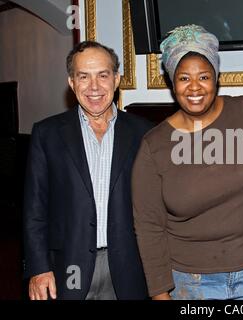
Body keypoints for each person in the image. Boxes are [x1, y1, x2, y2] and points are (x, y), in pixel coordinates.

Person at [132, 25, 243, 300]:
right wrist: (159, 293)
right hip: (192, 282)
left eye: (204, 77)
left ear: (216, 79)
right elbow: (149, 226)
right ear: (173, 82)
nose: (194, 87)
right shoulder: (154, 146)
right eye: (184, 78)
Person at [23, 41, 153, 300]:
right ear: (72, 83)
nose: (94, 87)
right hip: (69, 265)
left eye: (103, 75)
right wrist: (38, 269)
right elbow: (34, 210)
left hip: (128, 269)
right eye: (84, 77)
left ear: (116, 79)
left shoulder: (145, 133)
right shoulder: (47, 134)